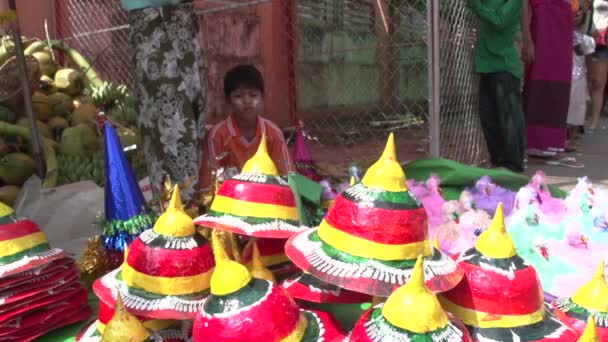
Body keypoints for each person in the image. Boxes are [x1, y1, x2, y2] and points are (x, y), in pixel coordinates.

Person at [121, 0, 206, 201]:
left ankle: (192, 207)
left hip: (181, 19)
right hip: (152, 22)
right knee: (167, 127)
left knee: (194, 119)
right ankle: (176, 211)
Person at [199, 65, 295, 190]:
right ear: (228, 100)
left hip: (266, 197)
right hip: (230, 199)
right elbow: (207, 184)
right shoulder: (218, 135)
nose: (247, 101)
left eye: (253, 95)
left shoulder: (272, 132)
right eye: (239, 96)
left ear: (262, 97)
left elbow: (289, 176)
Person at [468, 0, 526, 172]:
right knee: (488, 117)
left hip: (504, 65)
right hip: (486, 64)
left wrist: (475, 5)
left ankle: (512, 164)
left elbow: (499, 20)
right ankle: (498, 160)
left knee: (508, 118)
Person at [522, 0, 580, 167]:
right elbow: (523, 6)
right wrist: (527, 40)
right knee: (540, 85)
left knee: (560, 89)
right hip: (543, 33)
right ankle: (536, 145)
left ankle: (555, 144)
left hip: (562, 33)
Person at [587, 0, 608, 131]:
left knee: (598, 83)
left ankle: (594, 120)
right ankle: (592, 120)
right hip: (596, 39)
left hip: (603, 40)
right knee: (594, 81)